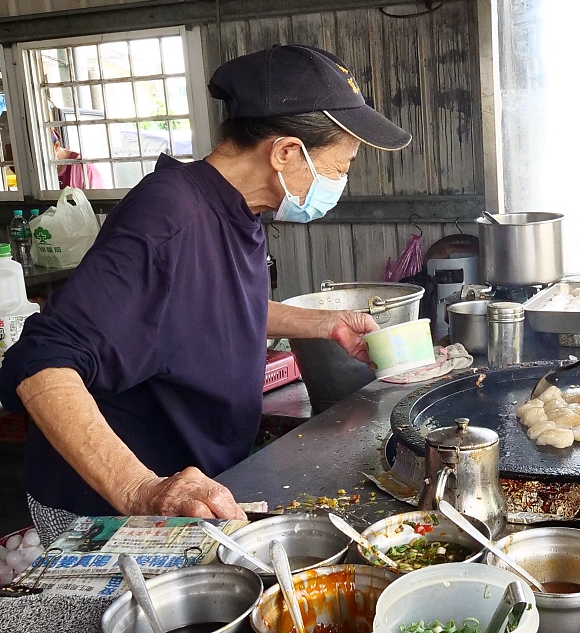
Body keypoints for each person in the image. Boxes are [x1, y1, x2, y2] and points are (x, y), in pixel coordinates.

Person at [0, 45, 412, 546]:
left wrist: (324, 324)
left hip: (194, 490)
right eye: (339, 165)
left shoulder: (241, 212)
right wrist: (140, 489)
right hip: (110, 510)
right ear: (285, 152)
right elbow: (43, 360)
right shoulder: (169, 217)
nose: (340, 181)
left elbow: (209, 303)